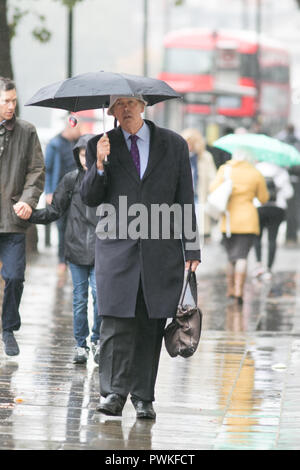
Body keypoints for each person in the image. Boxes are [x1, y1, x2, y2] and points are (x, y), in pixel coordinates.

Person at [80, 95, 200, 419]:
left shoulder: (174, 145)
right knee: (116, 322)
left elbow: (185, 198)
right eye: (119, 105)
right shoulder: (99, 144)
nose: (127, 109)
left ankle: (144, 396)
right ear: (112, 112)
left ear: (144, 105)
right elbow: (90, 197)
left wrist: (192, 249)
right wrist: (100, 165)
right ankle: (113, 393)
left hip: (160, 249)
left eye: (132, 102)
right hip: (117, 250)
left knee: (150, 322)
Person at [18, 134, 101, 365]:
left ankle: (97, 340)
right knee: (79, 298)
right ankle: (80, 345)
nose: (86, 159)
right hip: (75, 250)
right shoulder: (71, 180)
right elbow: (54, 211)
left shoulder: (107, 180)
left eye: (90, 154)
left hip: (101, 250)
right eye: (82, 154)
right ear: (77, 156)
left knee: (99, 296)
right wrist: (29, 214)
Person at [0, 77, 45, 356]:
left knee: (15, 277)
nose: (10, 106)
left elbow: (37, 171)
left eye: (14, 100)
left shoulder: (27, 131)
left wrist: (28, 201)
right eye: (5, 101)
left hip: (14, 218)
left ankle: (8, 328)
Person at [209, 148, 269, 304]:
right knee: (242, 256)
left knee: (231, 257)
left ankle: (230, 288)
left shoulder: (225, 169)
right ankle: (238, 290)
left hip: (228, 220)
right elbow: (263, 198)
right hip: (248, 220)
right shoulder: (254, 173)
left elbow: (212, 188)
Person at [45, 119, 82, 274]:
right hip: (59, 191)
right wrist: (48, 191)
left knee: (74, 225)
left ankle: (71, 258)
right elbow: (47, 169)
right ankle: (62, 260)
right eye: (78, 129)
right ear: (70, 128)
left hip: (75, 192)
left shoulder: (77, 143)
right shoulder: (55, 144)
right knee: (61, 227)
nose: (80, 132)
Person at [253, 161, 294, 279]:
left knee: (257, 237)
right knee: (272, 238)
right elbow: (289, 193)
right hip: (277, 208)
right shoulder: (282, 171)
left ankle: (258, 265)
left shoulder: (257, 169)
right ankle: (269, 268)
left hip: (259, 206)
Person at [181, 128, 216, 239]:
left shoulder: (205, 157)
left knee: (197, 229)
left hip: (199, 196)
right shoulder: (179, 155)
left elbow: (212, 177)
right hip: (182, 196)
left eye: (191, 143)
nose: (189, 146)